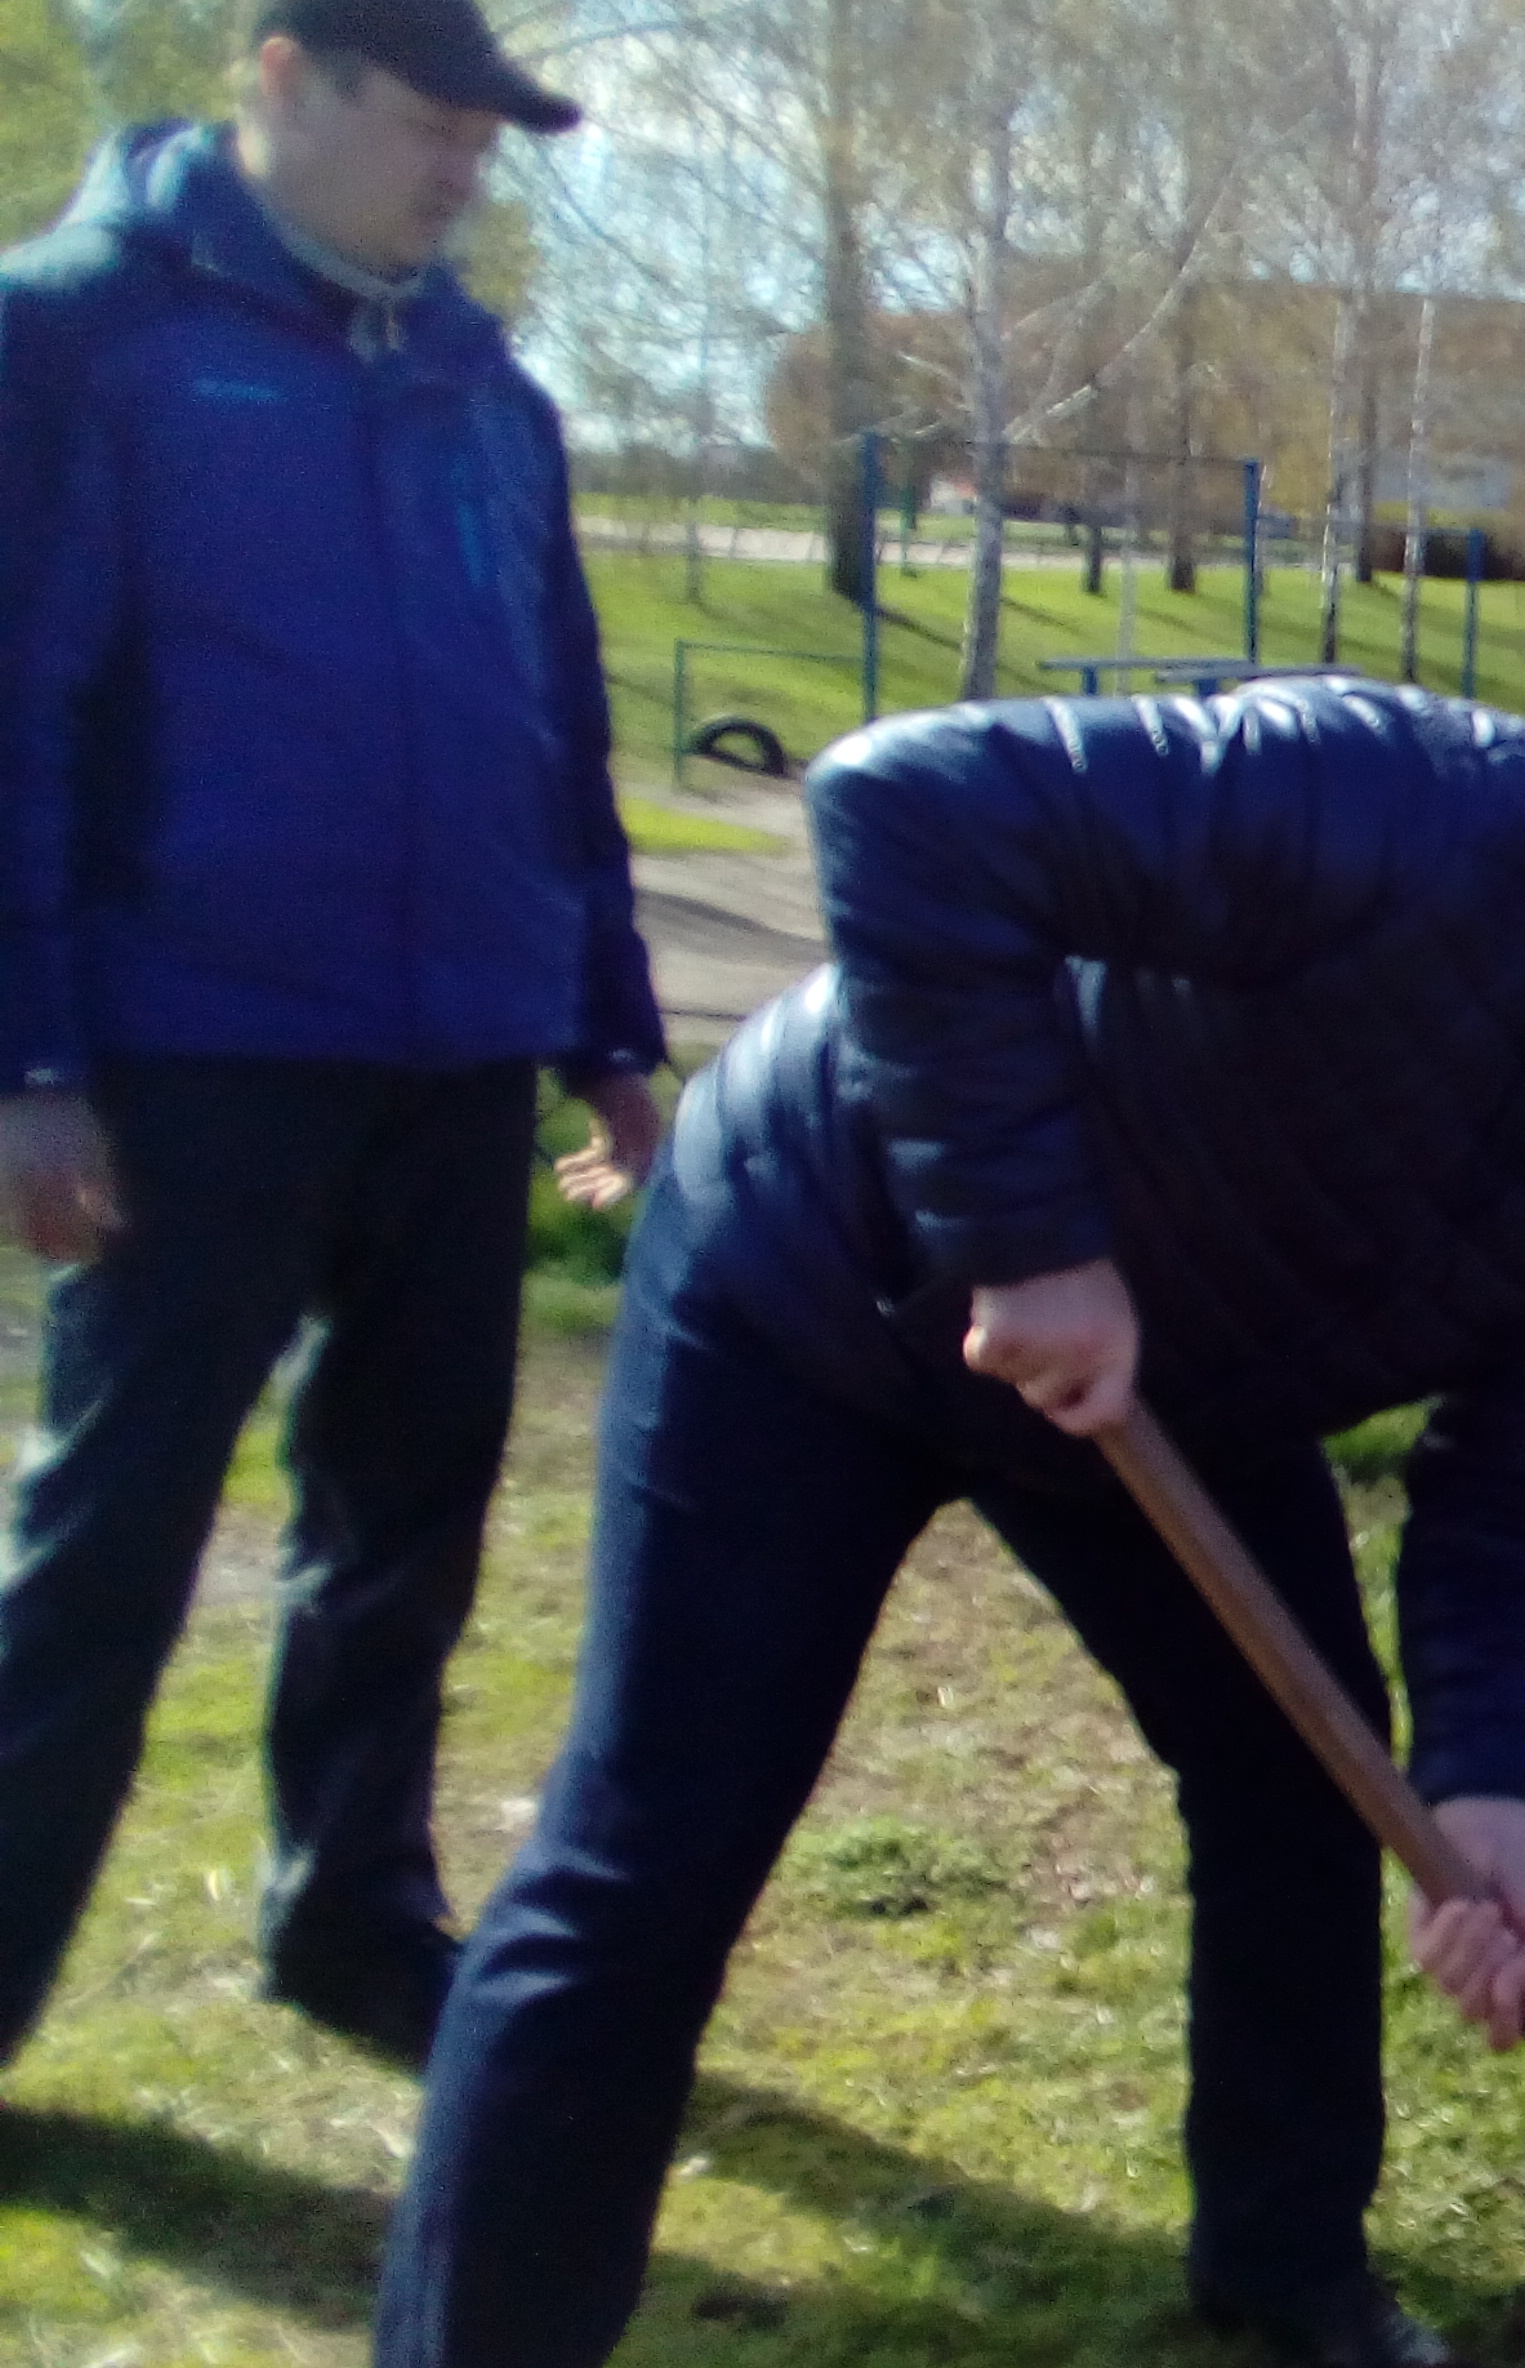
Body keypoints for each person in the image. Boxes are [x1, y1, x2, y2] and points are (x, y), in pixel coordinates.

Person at [376, 678, 1525, 2368]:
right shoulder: (1401, 805)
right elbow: (908, 800)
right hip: (817, 1277)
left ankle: (1284, 2270)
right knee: (653, 1859)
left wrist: (1494, 1787)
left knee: (1303, 1788)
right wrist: (1026, 1236)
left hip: (1165, 1387)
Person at [0, 0, 661, 2072]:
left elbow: (556, 720)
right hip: (192, 1053)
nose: (466, 167)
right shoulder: (74, 335)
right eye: (431, 122)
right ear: (284, 78)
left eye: (488, 137)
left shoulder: (486, 390)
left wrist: (610, 1030)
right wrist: (26, 1059)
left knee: (407, 1523)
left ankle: (352, 1920)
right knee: (110, 1539)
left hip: (455, 1054)